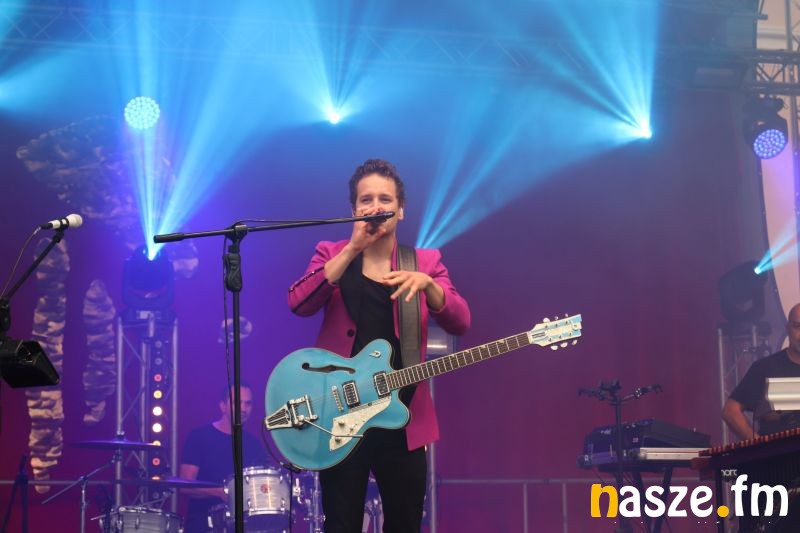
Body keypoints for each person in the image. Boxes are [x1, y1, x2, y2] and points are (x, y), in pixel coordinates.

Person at [287, 158, 471, 533]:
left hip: (402, 417)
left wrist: (430, 286)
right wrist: (351, 249)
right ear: (354, 209)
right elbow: (299, 303)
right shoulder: (331, 252)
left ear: (400, 210)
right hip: (342, 414)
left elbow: (461, 321)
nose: (375, 207)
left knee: (404, 524)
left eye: (384, 199)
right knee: (342, 523)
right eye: (365, 200)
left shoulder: (424, 261)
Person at [179, 383, 270, 533]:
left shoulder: (254, 445)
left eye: (248, 404)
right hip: (203, 525)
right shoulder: (199, 437)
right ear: (223, 406)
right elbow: (185, 485)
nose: (243, 409)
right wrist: (220, 492)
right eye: (237, 403)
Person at [723, 303, 800, 440]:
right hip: (779, 451)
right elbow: (731, 411)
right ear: (787, 329)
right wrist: (758, 444)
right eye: (797, 326)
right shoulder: (766, 367)